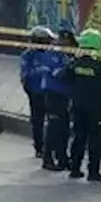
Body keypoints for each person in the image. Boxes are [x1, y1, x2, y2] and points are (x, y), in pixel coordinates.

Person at [65, 29, 101, 182]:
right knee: (96, 141)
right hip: (97, 110)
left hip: (78, 107)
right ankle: (93, 172)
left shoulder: (74, 65)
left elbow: (67, 79)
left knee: (79, 138)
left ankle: (75, 169)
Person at [21, 27, 57, 160]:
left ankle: (52, 147)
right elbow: (24, 75)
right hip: (36, 93)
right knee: (37, 121)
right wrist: (38, 71)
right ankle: (39, 147)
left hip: (51, 92)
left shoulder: (52, 54)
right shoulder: (28, 55)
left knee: (53, 121)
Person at [41, 31, 72, 171]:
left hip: (64, 95)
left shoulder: (65, 55)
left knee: (64, 128)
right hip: (53, 93)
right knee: (54, 126)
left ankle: (62, 158)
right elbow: (55, 74)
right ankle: (47, 158)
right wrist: (70, 67)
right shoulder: (51, 54)